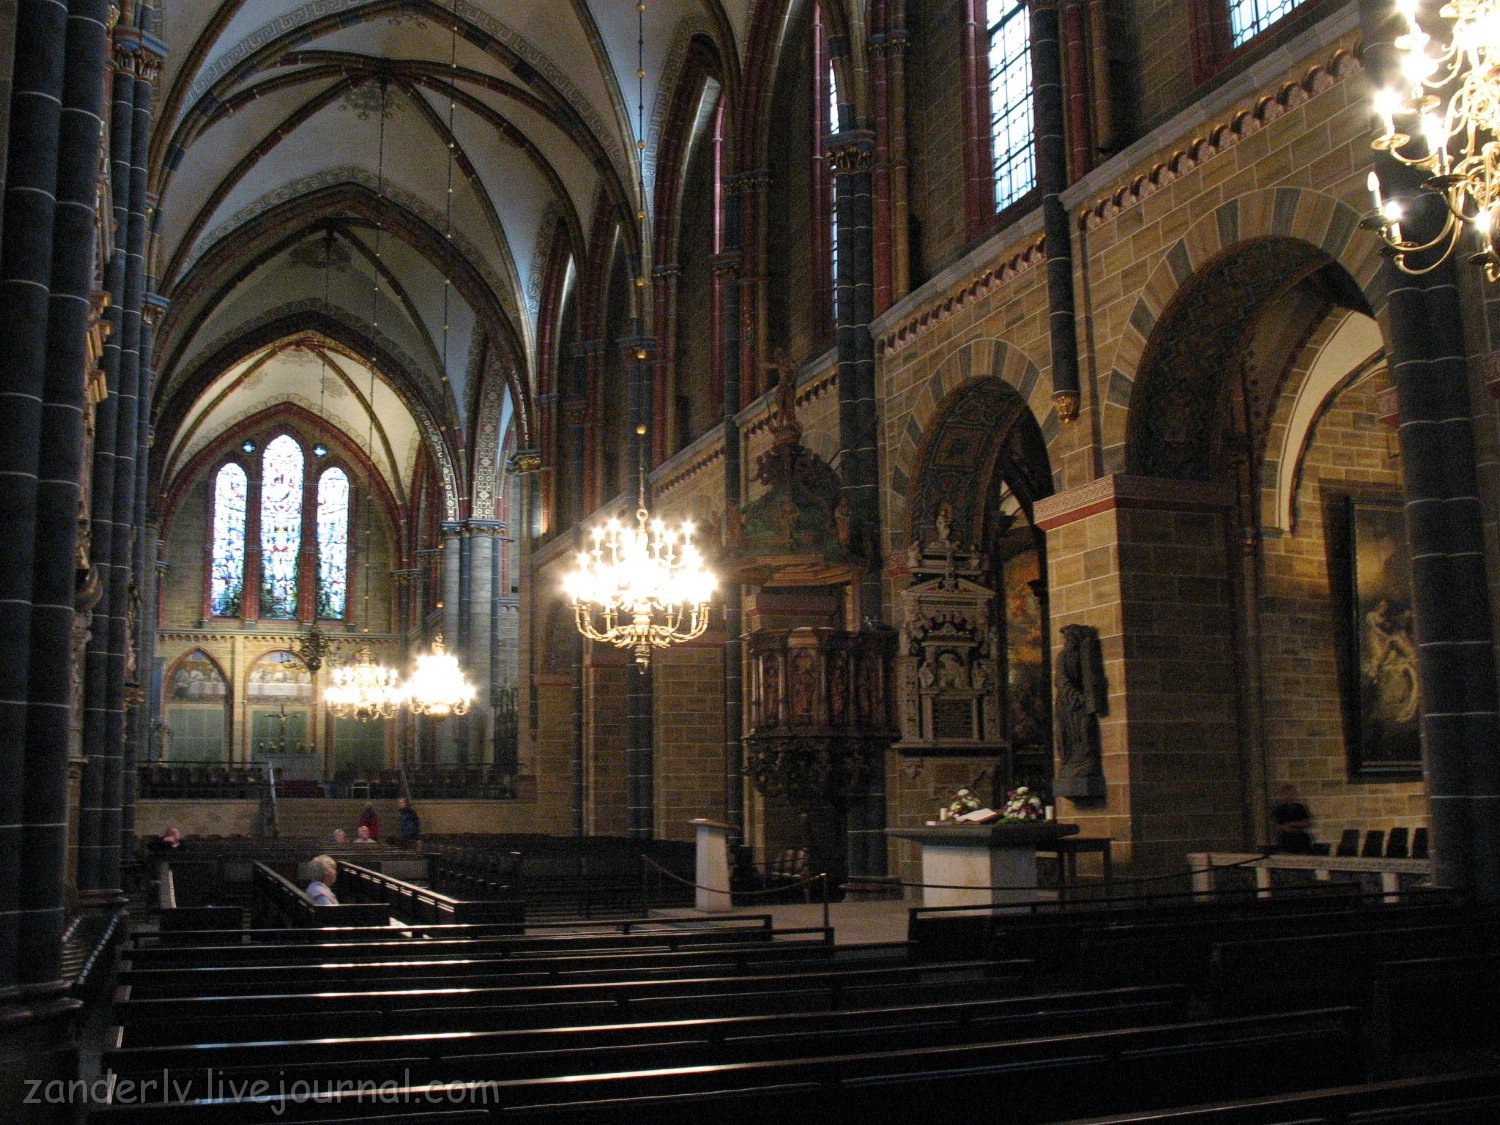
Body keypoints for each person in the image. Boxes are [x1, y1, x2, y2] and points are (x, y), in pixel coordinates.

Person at [1272, 784, 1316, 854]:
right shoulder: (1279, 809)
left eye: (1291, 794)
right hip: (1286, 841)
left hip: (1300, 840)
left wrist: (1292, 824)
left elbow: (1308, 823)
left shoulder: (1300, 807)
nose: (1289, 796)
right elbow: (1276, 826)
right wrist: (1284, 828)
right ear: (1283, 795)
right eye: (1287, 794)